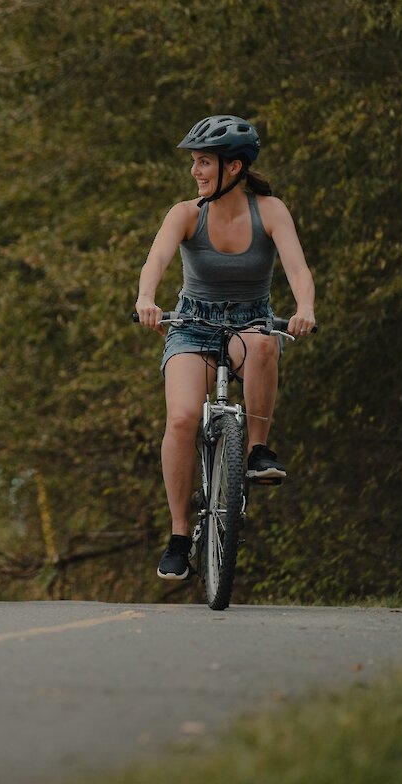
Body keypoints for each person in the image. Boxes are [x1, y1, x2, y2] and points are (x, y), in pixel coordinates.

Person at [135, 114, 315, 581]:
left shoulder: (270, 211)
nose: (195, 171)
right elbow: (156, 259)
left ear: (233, 167)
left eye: (203, 162)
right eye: (194, 162)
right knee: (180, 418)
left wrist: (305, 307)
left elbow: (297, 268)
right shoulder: (185, 213)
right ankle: (178, 536)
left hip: (251, 320)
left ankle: (257, 450)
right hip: (191, 324)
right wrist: (146, 300)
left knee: (264, 346)